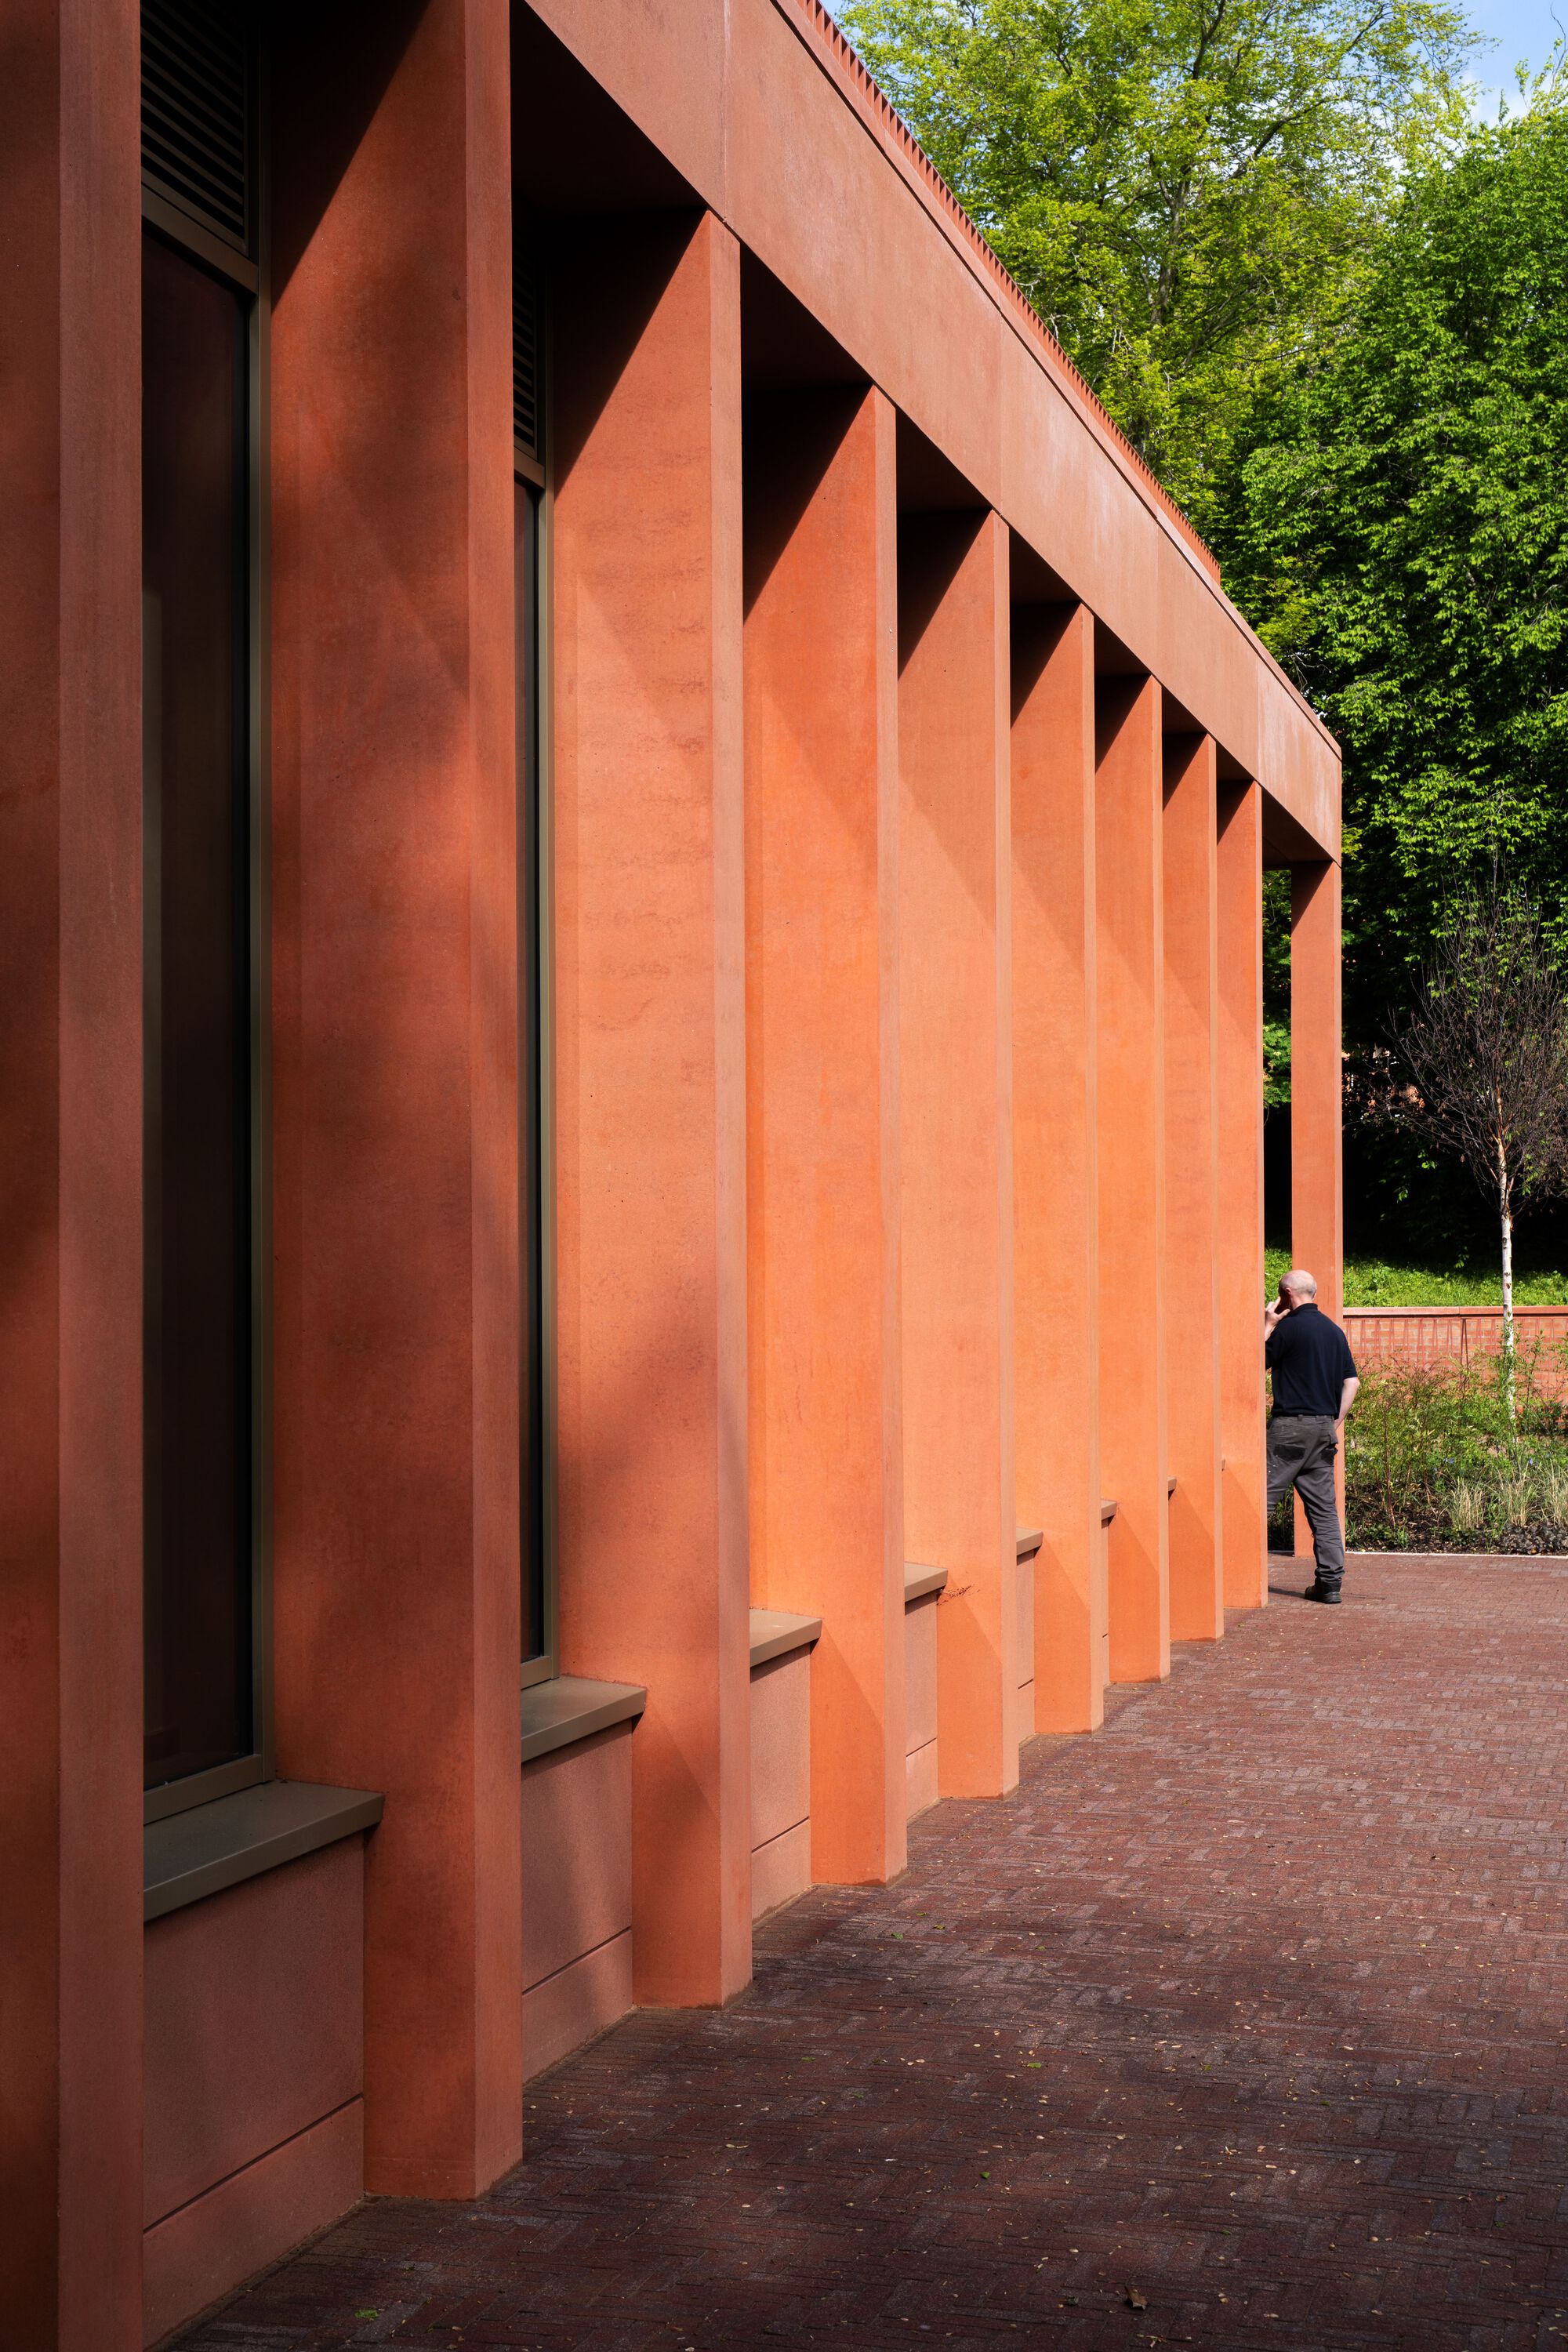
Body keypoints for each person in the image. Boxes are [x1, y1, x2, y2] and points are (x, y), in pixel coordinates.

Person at [1264, 1269, 1360, 1604]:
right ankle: (1330, 1584)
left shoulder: (1287, 1329)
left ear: (1287, 1294)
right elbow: (1352, 1382)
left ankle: (1237, 1577)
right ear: (1313, 1293)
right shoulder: (1334, 1332)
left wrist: (1267, 1325)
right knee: (1324, 1511)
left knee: (1259, 1501)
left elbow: (1254, 1362)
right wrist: (1334, 1422)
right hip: (1322, 1430)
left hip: (1288, 1429)